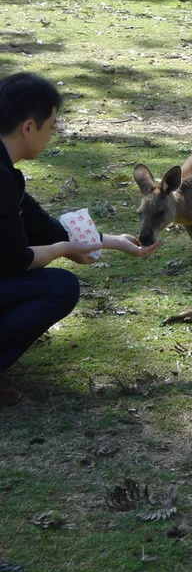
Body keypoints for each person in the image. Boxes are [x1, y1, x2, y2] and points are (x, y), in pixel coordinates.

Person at [0, 72, 162, 405]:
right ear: (29, 127)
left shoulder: (7, 174)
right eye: (52, 127)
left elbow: (45, 227)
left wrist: (113, 241)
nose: (52, 134)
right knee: (60, 288)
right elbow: (16, 260)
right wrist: (63, 251)